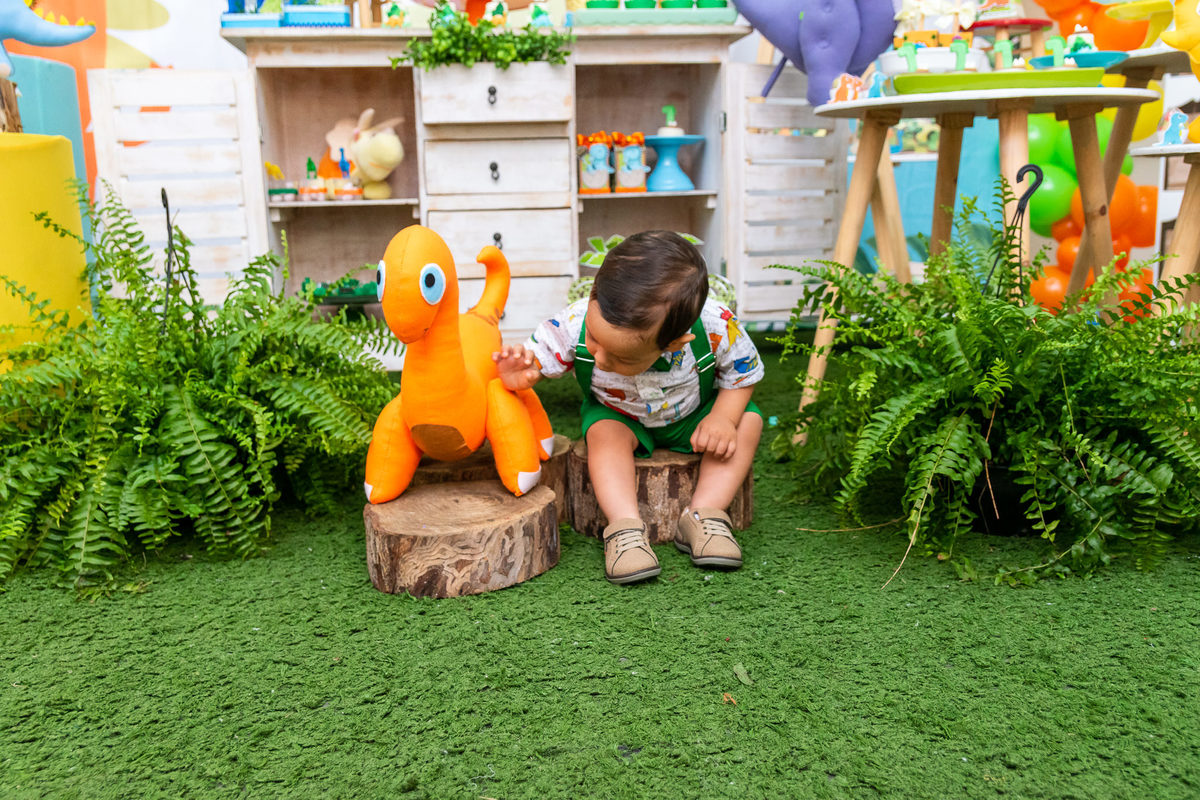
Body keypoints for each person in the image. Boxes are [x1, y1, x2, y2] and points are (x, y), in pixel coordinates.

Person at [493, 231, 764, 584]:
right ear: (594, 293)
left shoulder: (716, 324)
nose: (600, 358)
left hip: (694, 416)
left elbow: (743, 374)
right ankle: (625, 530)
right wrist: (522, 372)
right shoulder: (576, 320)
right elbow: (538, 359)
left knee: (748, 420)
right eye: (594, 339)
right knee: (603, 433)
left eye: (622, 357)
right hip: (620, 415)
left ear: (674, 343)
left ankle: (705, 515)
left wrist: (723, 418)